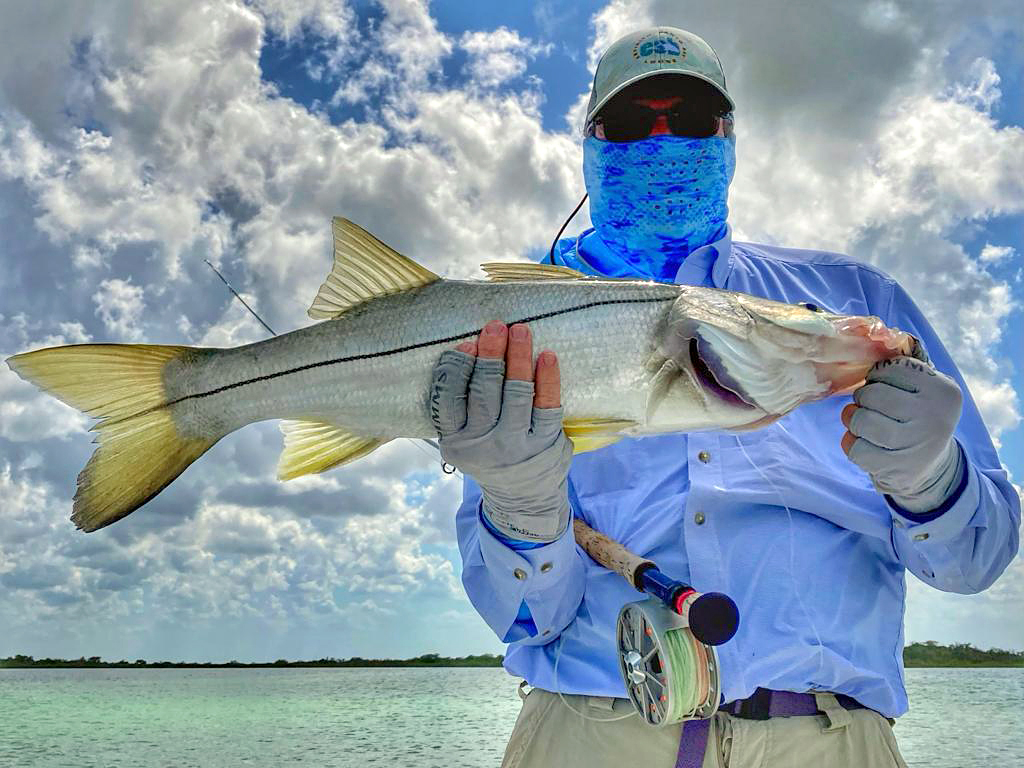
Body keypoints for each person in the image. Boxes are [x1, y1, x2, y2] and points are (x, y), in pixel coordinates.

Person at [429, 26, 1020, 768]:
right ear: (590, 146)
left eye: (693, 119)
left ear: (729, 137)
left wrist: (933, 480)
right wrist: (517, 505)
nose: (663, 139)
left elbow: (974, 563)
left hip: (832, 738)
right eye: (633, 123)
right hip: (589, 732)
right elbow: (526, 620)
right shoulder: (510, 331)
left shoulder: (855, 298)